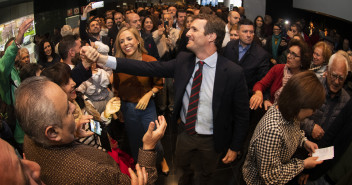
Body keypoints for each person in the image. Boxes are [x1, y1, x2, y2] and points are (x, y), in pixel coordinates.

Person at [81, 13, 249, 185]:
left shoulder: (233, 72)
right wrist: (103, 59)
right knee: (183, 167)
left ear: (211, 37)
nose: (187, 33)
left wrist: (235, 146)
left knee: (208, 173)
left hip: (213, 138)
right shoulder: (184, 60)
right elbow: (146, 67)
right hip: (184, 132)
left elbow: (242, 115)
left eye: (194, 29)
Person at [16, 76, 167, 185]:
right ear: (52, 133)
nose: (74, 106)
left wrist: (71, 134)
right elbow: (143, 180)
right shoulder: (94, 173)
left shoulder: (31, 136)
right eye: (67, 110)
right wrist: (148, 146)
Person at [243, 71, 325, 185]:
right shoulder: (273, 131)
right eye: (313, 108)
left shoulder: (290, 113)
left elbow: (293, 131)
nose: (313, 112)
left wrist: (304, 142)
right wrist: (304, 164)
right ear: (300, 104)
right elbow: (271, 176)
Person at [112, 26, 169, 173]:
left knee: (154, 137)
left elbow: (159, 84)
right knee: (135, 140)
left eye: (129, 39)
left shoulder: (149, 61)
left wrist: (149, 94)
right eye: (122, 41)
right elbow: (117, 88)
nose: (126, 43)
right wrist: (118, 109)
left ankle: (161, 159)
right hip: (127, 107)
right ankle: (142, 166)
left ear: (138, 41)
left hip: (147, 106)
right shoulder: (118, 64)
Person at [250, 39, 311, 110]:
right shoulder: (278, 68)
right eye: (289, 52)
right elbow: (260, 84)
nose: (288, 56)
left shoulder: (305, 80)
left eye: (293, 54)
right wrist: (259, 94)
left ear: (302, 60)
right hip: (271, 111)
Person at [301, 53, 350, 141]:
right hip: (302, 141)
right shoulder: (312, 86)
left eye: (341, 78)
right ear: (327, 70)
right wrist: (311, 127)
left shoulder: (346, 101)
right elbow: (293, 114)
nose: (336, 82)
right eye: (334, 76)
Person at [0, 19, 33, 146]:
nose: (15, 52)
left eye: (17, 50)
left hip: (26, 129)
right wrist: (17, 40)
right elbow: (4, 64)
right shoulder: (4, 73)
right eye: (13, 50)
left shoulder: (17, 70)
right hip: (19, 135)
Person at [223, 18, 271, 96]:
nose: (249, 35)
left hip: (246, 97)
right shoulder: (230, 46)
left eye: (251, 32)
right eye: (245, 31)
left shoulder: (261, 54)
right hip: (227, 93)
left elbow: (263, 81)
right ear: (238, 32)